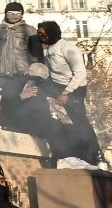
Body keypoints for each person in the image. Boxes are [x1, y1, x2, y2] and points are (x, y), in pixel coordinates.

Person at [38, 21, 100, 166]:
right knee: (35, 90)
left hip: (74, 88)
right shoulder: (46, 48)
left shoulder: (68, 48)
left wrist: (66, 94)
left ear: (52, 33)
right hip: (55, 85)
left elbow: (80, 74)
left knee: (80, 122)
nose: (41, 37)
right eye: (39, 34)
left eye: (44, 34)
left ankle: (96, 154)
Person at [0, 2, 34, 131]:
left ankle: (26, 130)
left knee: (26, 104)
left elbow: (36, 55)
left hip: (23, 74)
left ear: (22, 14)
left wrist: (33, 78)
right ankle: (7, 128)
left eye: (18, 13)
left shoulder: (30, 30)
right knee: (7, 102)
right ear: (5, 13)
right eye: (11, 13)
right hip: (4, 75)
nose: (14, 16)